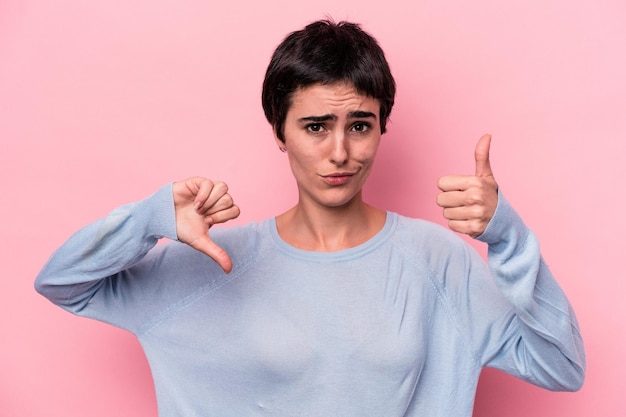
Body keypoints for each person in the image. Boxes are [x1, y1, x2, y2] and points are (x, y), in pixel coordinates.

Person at [35, 19, 585, 416]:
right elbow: (61, 283)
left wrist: (508, 238)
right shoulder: (215, 260)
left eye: (361, 125)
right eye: (316, 126)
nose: (340, 152)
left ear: (381, 128)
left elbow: (563, 367)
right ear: (280, 132)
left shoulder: (437, 262)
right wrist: (148, 220)